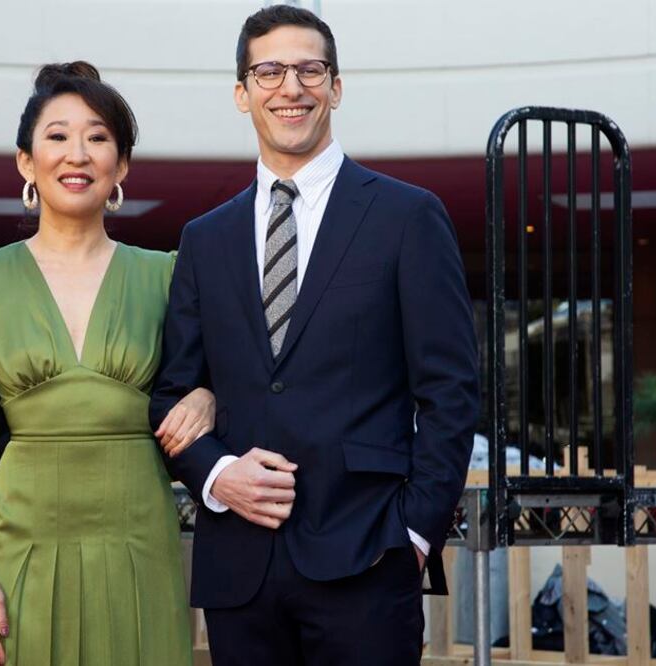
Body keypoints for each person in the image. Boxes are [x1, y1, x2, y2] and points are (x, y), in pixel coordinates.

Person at [150, 5, 480, 665]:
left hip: (367, 555)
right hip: (239, 566)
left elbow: (450, 390)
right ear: (242, 93)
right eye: (268, 71)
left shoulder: (406, 216)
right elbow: (170, 396)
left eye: (309, 70)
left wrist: (414, 534)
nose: (290, 88)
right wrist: (216, 473)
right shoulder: (204, 239)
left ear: (336, 85)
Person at [0, 61, 209, 666]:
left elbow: (234, 375)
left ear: (121, 166)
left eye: (98, 138)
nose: (78, 154)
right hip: (17, 541)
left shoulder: (170, 274)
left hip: (138, 539)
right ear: (26, 161)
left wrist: (208, 396)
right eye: (57, 136)